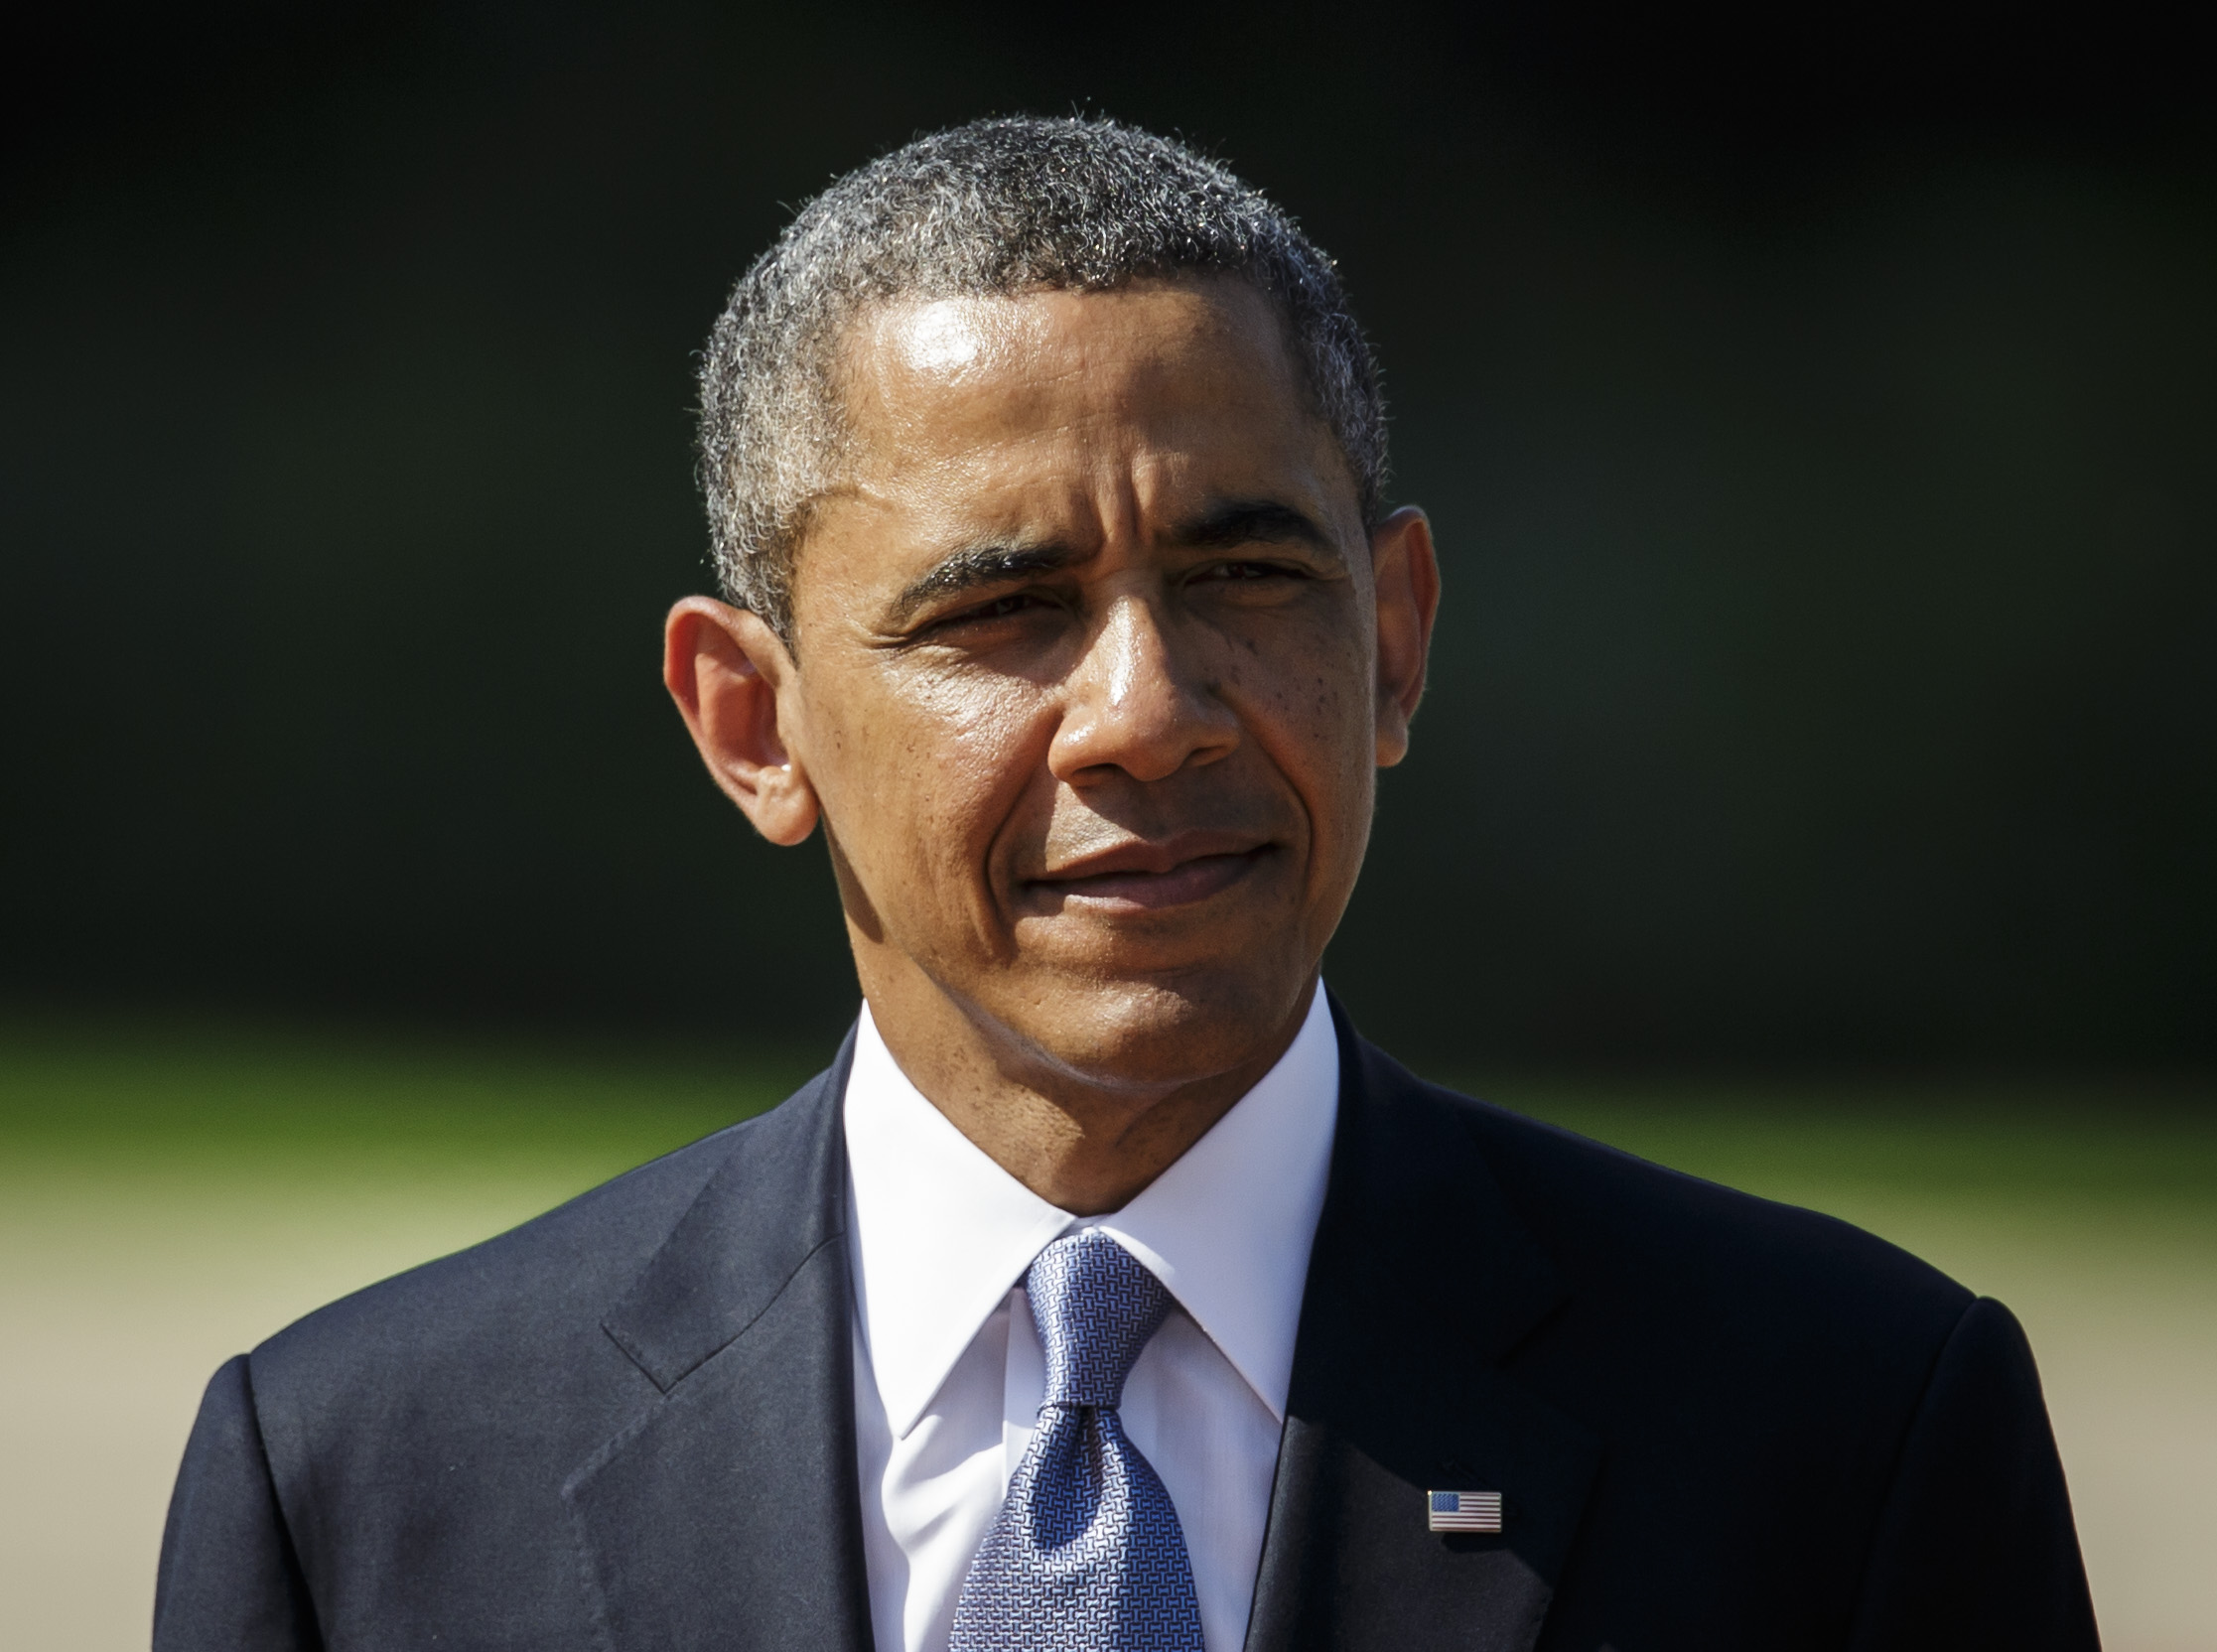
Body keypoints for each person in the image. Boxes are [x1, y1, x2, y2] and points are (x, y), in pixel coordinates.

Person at [154, 116, 2098, 1652]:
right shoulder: (366, 1484)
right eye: (1000, 609)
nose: (1148, 714)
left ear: (1396, 639)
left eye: (1249, 580)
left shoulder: (1842, 1435)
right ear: (753, 721)